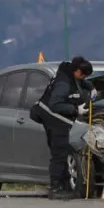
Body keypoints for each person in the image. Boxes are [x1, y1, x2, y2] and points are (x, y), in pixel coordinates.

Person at [33, 55, 94, 199]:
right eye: (83, 75)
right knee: (59, 153)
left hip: (59, 120)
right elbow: (55, 104)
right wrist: (75, 110)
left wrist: (92, 87)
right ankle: (55, 188)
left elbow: (81, 84)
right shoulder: (63, 84)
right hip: (54, 119)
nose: (83, 78)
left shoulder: (70, 75)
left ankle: (66, 186)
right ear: (78, 71)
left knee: (64, 151)